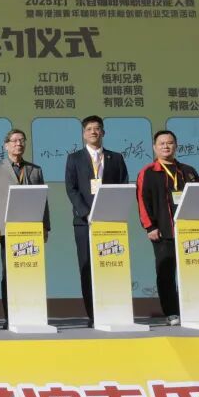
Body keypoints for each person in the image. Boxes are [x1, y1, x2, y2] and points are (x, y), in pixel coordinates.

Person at [64, 115, 129, 325]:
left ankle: (115, 310)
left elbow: (123, 185)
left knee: (112, 265)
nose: (93, 132)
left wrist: (113, 211)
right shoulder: (74, 158)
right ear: (84, 134)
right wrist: (86, 213)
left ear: (103, 132)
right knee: (87, 267)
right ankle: (94, 314)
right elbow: (71, 189)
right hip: (84, 222)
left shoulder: (115, 158)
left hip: (110, 221)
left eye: (97, 128)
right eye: (89, 129)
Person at [136, 129, 199, 326]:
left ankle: (193, 309)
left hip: (189, 231)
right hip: (163, 232)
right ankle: (171, 312)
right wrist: (150, 227)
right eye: (162, 143)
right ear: (155, 147)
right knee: (166, 273)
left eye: (170, 143)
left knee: (193, 271)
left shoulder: (188, 171)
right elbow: (142, 201)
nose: (166, 146)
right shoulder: (148, 172)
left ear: (176, 146)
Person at [0, 128, 49, 327]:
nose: (18, 144)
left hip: (32, 230)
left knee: (32, 272)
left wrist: (45, 226)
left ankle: (33, 314)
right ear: (6, 146)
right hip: (8, 230)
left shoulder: (35, 170)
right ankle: (10, 316)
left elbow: (43, 200)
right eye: (14, 141)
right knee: (10, 273)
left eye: (21, 140)